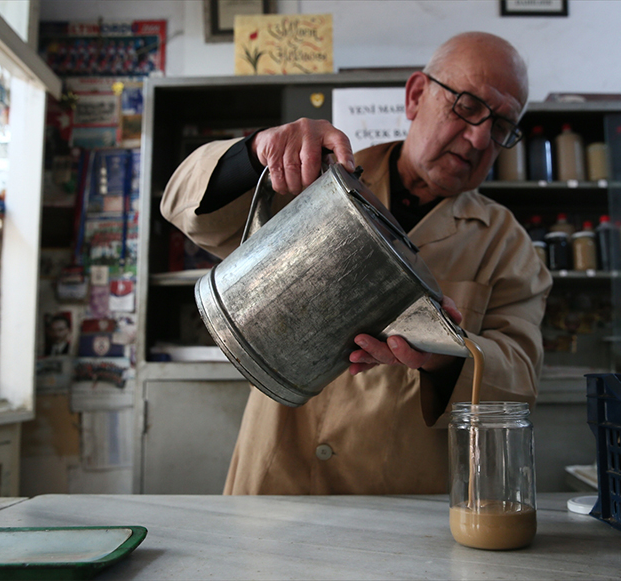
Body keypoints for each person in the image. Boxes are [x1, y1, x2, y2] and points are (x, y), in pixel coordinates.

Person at [161, 31, 552, 495]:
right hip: (276, 483)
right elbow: (181, 203)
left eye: (503, 126)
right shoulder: (319, 176)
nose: (480, 137)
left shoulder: (507, 244)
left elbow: (521, 378)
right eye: (467, 106)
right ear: (416, 96)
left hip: (395, 502)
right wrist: (257, 152)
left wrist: (444, 355)